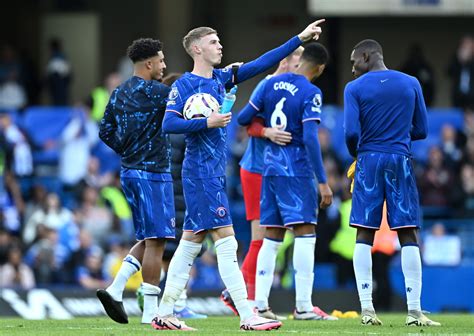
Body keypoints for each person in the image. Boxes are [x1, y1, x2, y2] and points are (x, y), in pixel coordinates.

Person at [155, 20, 325, 331]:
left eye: (219, 41)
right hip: (200, 172)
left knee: (190, 241)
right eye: (213, 42)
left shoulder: (222, 77)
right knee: (227, 240)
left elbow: (264, 61)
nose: (220, 46)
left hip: (213, 171)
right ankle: (248, 315)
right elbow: (168, 125)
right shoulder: (183, 86)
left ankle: (165, 313)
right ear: (197, 49)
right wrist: (207, 123)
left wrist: (298, 37)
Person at [343, 39, 440, 327]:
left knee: (364, 231)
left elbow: (350, 131)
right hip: (400, 159)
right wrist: (396, 136)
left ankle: (367, 309)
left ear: (366, 55)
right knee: (408, 232)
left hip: (368, 160)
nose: (352, 69)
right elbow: (422, 129)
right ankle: (414, 311)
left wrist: (358, 153)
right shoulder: (410, 82)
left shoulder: (354, 89)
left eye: (353, 61)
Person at [237, 42, 334, 320]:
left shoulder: (270, 85)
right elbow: (311, 138)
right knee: (305, 234)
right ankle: (303, 306)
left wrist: (265, 127)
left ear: (300, 59)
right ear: (320, 68)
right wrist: (323, 181)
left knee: (272, 236)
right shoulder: (311, 91)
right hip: (296, 171)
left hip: (269, 170)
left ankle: (260, 304)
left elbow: (244, 118)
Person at [220, 47, 303, 320]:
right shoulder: (266, 86)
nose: (301, 64)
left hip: (270, 171)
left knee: (268, 236)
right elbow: (247, 122)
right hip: (256, 169)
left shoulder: (291, 87)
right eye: (297, 59)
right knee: (261, 236)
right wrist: (267, 131)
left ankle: (252, 299)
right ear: (285, 60)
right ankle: (240, 295)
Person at [97, 38, 175, 325]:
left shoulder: (118, 92)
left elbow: (105, 131)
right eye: (162, 61)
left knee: (148, 237)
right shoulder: (159, 93)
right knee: (157, 241)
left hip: (129, 172)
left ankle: (116, 289)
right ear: (149, 63)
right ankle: (151, 314)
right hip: (153, 173)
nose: (164, 66)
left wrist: (126, 149)